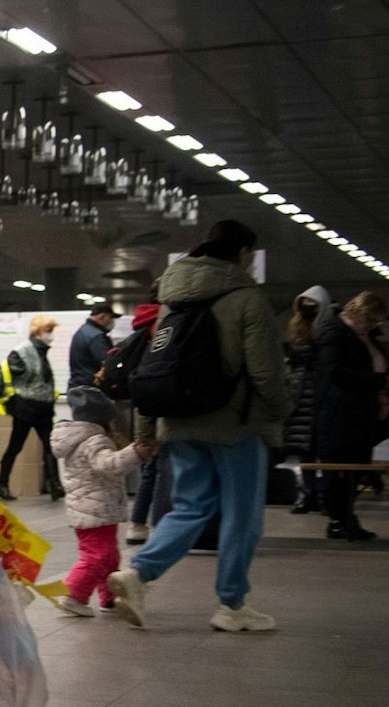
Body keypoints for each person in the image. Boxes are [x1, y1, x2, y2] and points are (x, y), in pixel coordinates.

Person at [108, 220, 291, 632]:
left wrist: (146, 429)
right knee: (242, 515)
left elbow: (156, 365)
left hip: (180, 421)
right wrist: (283, 410)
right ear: (243, 253)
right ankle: (232, 604)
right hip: (236, 425)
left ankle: (139, 573)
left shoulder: (172, 300)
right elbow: (266, 372)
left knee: (190, 507)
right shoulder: (247, 299)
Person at [49, 388, 153, 617]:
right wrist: (135, 453)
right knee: (97, 556)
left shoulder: (77, 438)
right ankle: (73, 595)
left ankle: (109, 598)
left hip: (93, 509)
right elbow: (109, 465)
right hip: (94, 510)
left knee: (109, 556)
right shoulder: (95, 440)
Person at [313, 291, 388, 542]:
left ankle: (344, 519)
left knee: (354, 468)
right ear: (358, 312)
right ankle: (340, 520)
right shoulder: (334, 334)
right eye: (370, 320)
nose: (372, 325)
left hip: (361, 413)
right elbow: (335, 373)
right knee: (340, 470)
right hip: (340, 413)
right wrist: (378, 381)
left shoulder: (366, 335)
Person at [0, 316, 65, 501]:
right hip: (26, 407)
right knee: (16, 446)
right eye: (48, 331)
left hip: (43, 407)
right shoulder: (23, 350)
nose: (51, 335)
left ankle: (55, 485)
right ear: (38, 331)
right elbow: (3, 369)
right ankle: (2, 485)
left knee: (50, 447)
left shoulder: (41, 351)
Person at [284, 286, 334, 514]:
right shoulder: (298, 331)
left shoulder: (329, 331)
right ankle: (309, 492)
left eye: (313, 305)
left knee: (324, 450)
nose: (308, 309)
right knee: (305, 450)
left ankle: (323, 493)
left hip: (321, 394)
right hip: (301, 395)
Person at [122, 302, 163, 542]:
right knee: (160, 471)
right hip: (157, 413)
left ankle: (138, 524)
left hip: (143, 410)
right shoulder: (160, 331)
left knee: (150, 472)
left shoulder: (139, 333)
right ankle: (157, 527)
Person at [69, 305, 120, 388]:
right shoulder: (97, 336)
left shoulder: (83, 331)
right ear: (102, 317)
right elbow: (107, 361)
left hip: (79, 384)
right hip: (91, 386)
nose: (112, 321)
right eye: (111, 318)